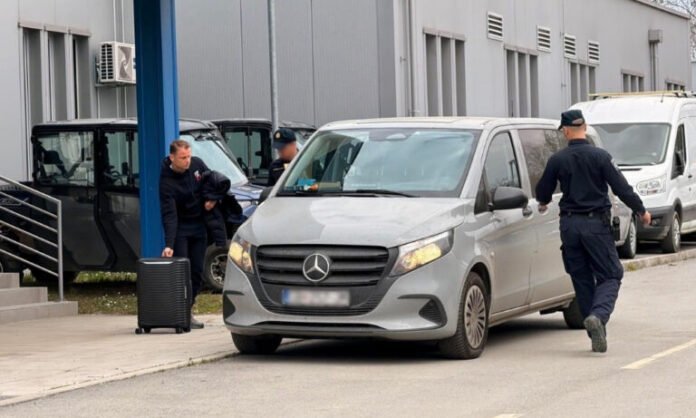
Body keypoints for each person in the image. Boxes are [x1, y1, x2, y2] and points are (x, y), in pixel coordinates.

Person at [536, 109, 651, 353]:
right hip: (595, 225)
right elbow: (621, 187)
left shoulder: (557, 160)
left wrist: (543, 202)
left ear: (566, 131)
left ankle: (595, 331)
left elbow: (543, 192)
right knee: (611, 274)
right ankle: (598, 316)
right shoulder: (601, 157)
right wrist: (641, 210)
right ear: (585, 127)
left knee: (582, 278)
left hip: (569, 226)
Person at [159, 139, 216, 329]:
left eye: (189, 156)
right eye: (183, 158)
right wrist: (169, 244)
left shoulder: (197, 165)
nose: (187, 161)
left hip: (199, 225)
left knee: (197, 272)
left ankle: (189, 307)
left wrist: (212, 199)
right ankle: (182, 312)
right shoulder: (166, 182)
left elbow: (213, 182)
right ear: (172, 158)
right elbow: (169, 215)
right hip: (181, 229)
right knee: (183, 272)